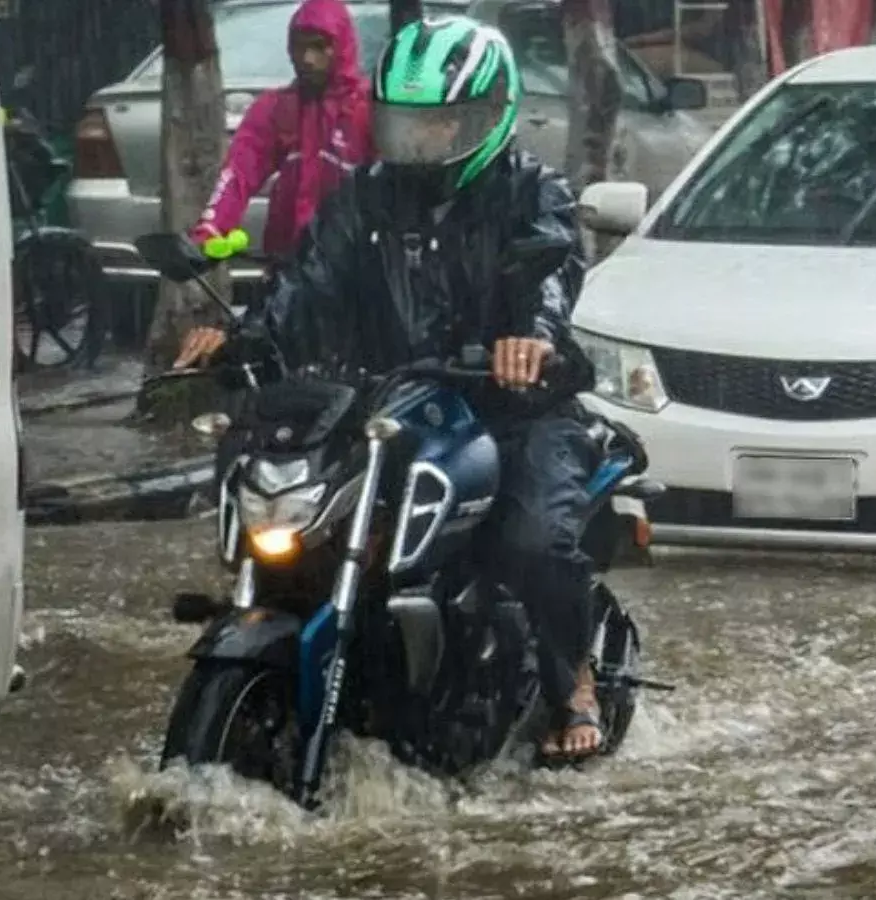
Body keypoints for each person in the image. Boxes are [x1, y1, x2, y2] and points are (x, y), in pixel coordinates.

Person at [175, 17, 607, 759]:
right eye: (408, 123)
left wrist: (529, 343)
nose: (423, 140)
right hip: (384, 405)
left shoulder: (534, 194)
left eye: (442, 122)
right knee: (307, 521)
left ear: (487, 116)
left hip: (512, 407)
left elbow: (552, 275)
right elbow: (304, 284)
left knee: (531, 541)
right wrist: (240, 340)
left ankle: (576, 683)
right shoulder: (364, 198)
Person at [190, 0, 373, 259]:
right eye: (300, 46)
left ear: (342, 46)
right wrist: (211, 227)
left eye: (320, 46)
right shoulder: (277, 108)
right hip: (288, 260)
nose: (308, 58)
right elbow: (238, 172)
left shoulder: (367, 111)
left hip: (354, 262)